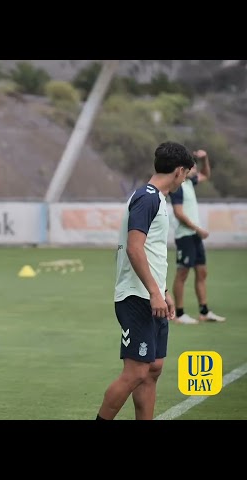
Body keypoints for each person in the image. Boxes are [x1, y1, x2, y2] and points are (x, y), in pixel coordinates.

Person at [96, 141, 195, 420]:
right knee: (135, 372)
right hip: (136, 297)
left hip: (151, 295)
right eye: (186, 174)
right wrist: (154, 292)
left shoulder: (158, 199)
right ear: (178, 171)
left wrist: (162, 290)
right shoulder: (147, 197)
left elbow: (150, 251)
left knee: (153, 369)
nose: (185, 179)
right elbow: (134, 247)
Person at [169, 149, 226, 324]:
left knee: (202, 272)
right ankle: (179, 314)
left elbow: (206, 175)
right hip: (185, 235)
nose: (195, 169)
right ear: (183, 169)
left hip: (194, 236)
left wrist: (205, 159)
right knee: (182, 273)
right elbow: (178, 213)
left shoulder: (189, 183)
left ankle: (204, 311)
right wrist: (198, 229)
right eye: (192, 166)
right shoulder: (177, 187)